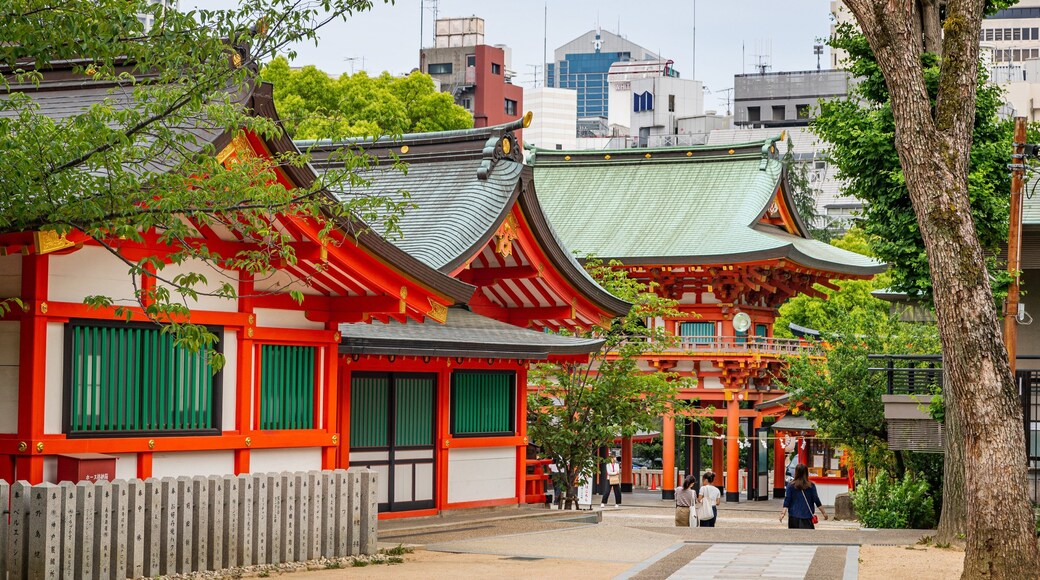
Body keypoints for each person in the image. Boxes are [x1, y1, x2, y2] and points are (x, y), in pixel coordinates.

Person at [780, 463, 829, 529]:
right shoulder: (811, 485)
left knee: (794, 537)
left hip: (793, 517)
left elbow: (787, 500)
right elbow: (816, 500)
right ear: (806, 472)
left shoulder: (790, 485)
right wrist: (824, 513)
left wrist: (783, 513)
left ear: (796, 472)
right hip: (807, 516)